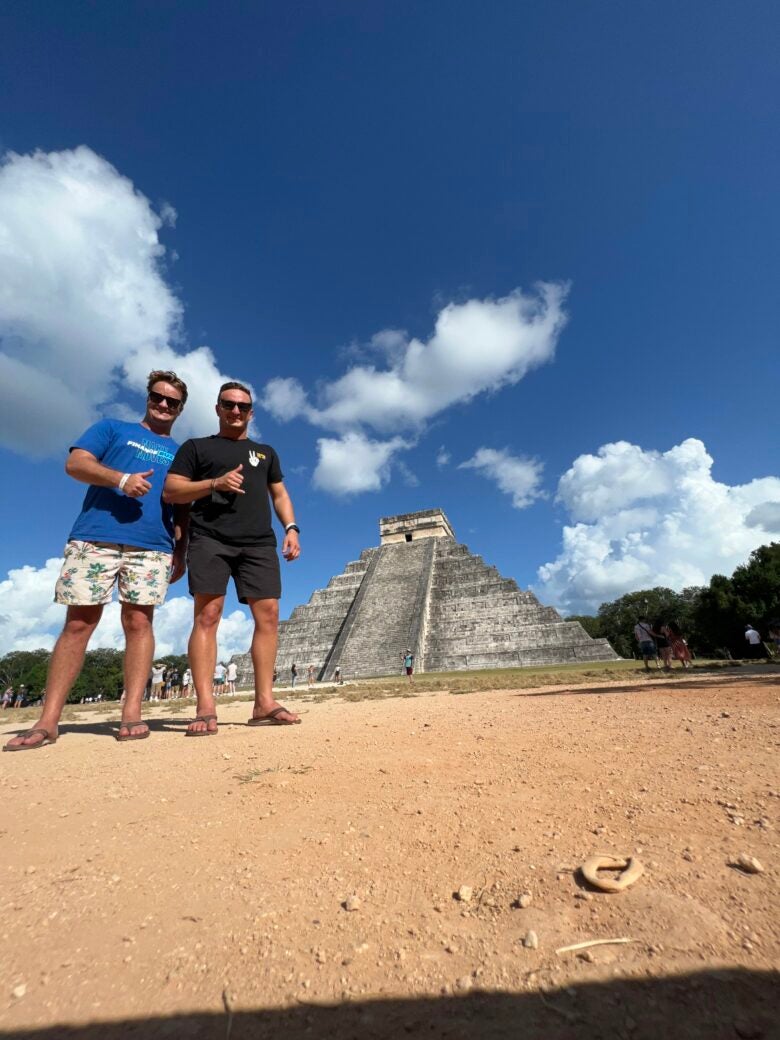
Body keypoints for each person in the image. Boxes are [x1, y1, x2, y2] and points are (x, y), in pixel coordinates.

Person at [4, 372, 188, 752]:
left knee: (140, 622)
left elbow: (182, 505)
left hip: (153, 544)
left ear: (181, 408)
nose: (164, 405)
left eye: (173, 401)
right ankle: (48, 719)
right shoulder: (111, 428)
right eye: (158, 397)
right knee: (79, 623)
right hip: (95, 536)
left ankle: (132, 712)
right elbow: (76, 464)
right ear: (148, 397)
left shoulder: (182, 452)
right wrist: (120, 479)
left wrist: (181, 551)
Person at [163, 380, 302, 735]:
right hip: (210, 538)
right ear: (218, 408)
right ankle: (206, 706)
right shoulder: (196, 448)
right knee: (208, 615)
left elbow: (280, 494)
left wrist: (291, 528)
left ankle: (264, 702)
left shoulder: (266, 452)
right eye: (229, 404)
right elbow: (172, 490)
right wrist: (214, 484)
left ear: (251, 412)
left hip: (257, 542)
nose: (235, 411)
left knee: (269, 615)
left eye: (243, 406)